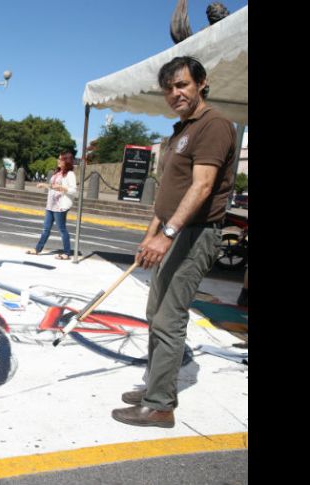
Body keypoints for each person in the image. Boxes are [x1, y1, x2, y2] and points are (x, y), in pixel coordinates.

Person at [111, 56, 236, 428]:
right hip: (173, 230)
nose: (175, 93)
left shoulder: (212, 125)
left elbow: (202, 186)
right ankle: (158, 384)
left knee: (169, 318)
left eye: (182, 85)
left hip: (195, 234)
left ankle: (160, 406)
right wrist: (151, 233)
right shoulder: (181, 130)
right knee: (155, 314)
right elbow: (170, 192)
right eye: (169, 89)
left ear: (201, 83)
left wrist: (167, 235)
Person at [26, 149, 77, 259]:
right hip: (51, 205)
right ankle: (37, 249)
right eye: (58, 159)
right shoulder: (57, 172)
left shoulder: (70, 174)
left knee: (62, 229)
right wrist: (44, 185)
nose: (58, 161)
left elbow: (73, 190)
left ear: (66, 161)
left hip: (60, 206)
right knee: (46, 229)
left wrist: (62, 188)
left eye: (60, 159)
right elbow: (53, 187)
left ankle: (67, 253)